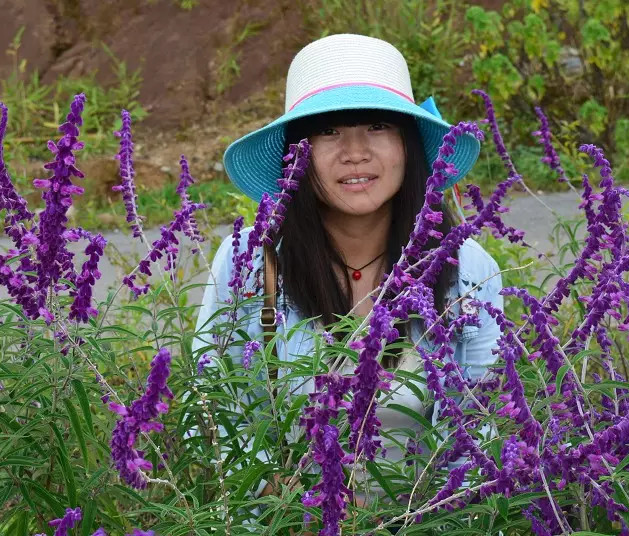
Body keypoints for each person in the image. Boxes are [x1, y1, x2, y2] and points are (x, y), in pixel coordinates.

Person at [191, 33, 503, 516]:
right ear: (298, 152)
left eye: (377, 126)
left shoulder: (468, 270)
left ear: (409, 146)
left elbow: (484, 425)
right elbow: (210, 406)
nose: (355, 152)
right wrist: (267, 501)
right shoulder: (249, 265)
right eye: (329, 131)